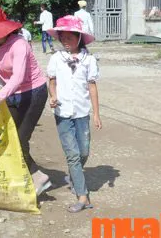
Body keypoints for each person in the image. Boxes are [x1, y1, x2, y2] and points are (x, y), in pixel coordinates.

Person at [0, 6, 52, 196]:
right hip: (11, 93)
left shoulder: (19, 45)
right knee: (8, 137)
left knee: (20, 138)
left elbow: (18, 77)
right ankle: (30, 175)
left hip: (32, 93)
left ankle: (37, 177)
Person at [46, 15, 102, 213]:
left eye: (70, 37)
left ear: (79, 38)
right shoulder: (56, 59)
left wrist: (96, 114)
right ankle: (82, 196)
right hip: (62, 113)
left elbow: (92, 87)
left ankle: (74, 175)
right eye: (63, 38)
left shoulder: (89, 60)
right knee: (73, 155)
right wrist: (52, 96)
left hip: (81, 113)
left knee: (83, 152)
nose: (66, 41)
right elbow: (51, 81)